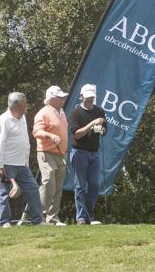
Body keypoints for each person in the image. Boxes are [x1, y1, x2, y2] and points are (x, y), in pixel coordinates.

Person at [0, 92, 44, 227]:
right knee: (4, 193)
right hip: (7, 164)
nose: (27, 106)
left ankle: (38, 221)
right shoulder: (4, 120)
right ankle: (4, 221)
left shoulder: (22, 117)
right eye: (25, 103)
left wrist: (26, 160)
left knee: (33, 188)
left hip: (22, 164)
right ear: (17, 106)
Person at [68, 84, 107, 225]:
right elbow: (77, 135)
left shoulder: (99, 111)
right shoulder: (75, 113)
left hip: (94, 154)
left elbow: (104, 130)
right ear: (81, 96)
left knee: (95, 186)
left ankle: (88, 215)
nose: (90, 100)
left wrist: (100, 129)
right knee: (79, 186)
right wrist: (92, 124)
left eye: (92, 97)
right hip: (79, 153)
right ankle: (81, 218)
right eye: (87, 97)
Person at [32, 85, 69, 226]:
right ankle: (39, 217)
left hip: (61, 154)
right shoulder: (43, 113)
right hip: (46, 153)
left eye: (63, 97)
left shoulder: (62, 112)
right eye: (60, 97)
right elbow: (36, 132)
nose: (63, 99)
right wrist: (49, 135)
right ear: (51, 99)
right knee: (49, 183)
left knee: (58, 186)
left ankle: (53, 218)